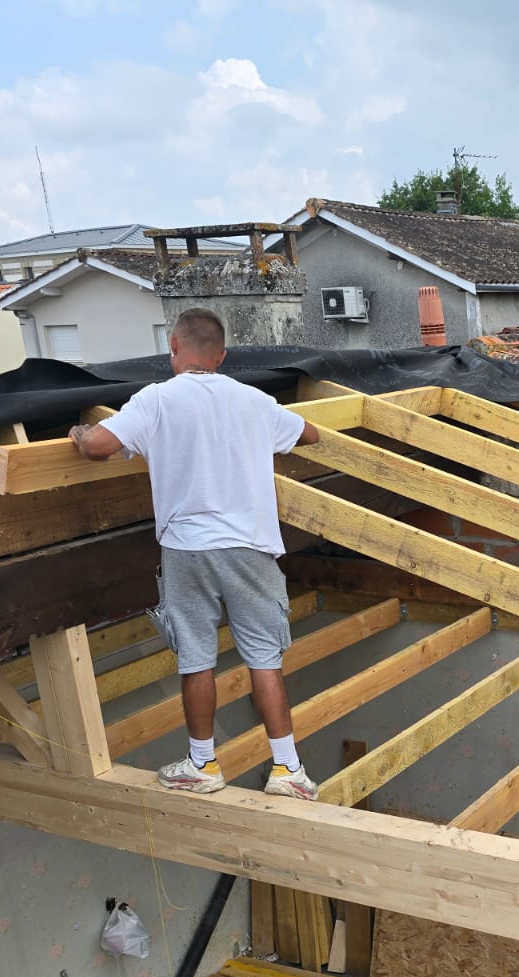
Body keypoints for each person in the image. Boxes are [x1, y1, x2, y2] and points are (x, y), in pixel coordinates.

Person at [70, 307, 321, 801]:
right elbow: (309, 435)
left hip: (187, 548)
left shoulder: (156, 400)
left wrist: (78, 435)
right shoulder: (252, 400)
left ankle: (203, 764)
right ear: (221, 356)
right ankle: (288, 770)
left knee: (197, 659)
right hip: (250, 546)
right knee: (264, 659)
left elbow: (98, 446)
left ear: (174, 349)